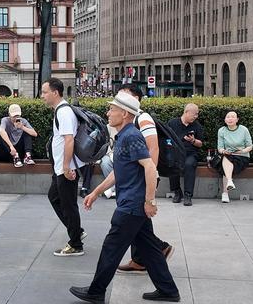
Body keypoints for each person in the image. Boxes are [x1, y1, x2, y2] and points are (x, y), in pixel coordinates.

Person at [70, 91, 180, 304]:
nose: (108, 112)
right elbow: (118, 171)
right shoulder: (123, 136)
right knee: (150, 249)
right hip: (133, 204)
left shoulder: (131, 136)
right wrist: (95, 192)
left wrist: (150, 201)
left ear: (126, 114)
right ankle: (168, 290)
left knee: (111, 248)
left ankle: (96, 291)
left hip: (132, 205)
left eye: (112, 109)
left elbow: (149, 167)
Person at [113, 85, 174, 274]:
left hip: (140, 181)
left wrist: (152, 179)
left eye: (125, 94)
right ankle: (142, 259)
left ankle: (153, 252)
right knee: (140, 224)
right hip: (136, 180)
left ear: (135, 99)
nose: (120, 97)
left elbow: (153, 148)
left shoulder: (143, 117)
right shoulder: (130, 123)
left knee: (134, 221)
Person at [41, 77, 86, 257]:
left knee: (68, 206)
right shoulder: (60, 110)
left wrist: (67, 167)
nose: (42, 96)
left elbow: (69, 140)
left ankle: (75, 244)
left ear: (55, 92)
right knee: (54, 197)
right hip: (60, 167)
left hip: (65, 168)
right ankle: (77, 230)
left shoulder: (64, 112)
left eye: (45, 92)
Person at [167, 103, 203, 206]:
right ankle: (177, 192)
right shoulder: (172, 123)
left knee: (189, 164)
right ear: (186, 112)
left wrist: (193, 140)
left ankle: (188, 195)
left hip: (190, 153)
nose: (196, 116)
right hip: (176, 152)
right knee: (171, 161)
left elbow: (200, 144)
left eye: (197, 114)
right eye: (194, 114)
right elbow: (166, 138)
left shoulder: (197, 126)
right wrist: (170, 146)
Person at [216, 111, 253, 203]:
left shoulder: (244, 129)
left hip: (242, 156)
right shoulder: (221, 130)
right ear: (224, 119)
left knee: (225, 165)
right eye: (228, 117)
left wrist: (242, 151)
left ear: (237, 119)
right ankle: (229, 182)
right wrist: (224, 151)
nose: (230, 119)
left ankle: (225, 193)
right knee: (226, 158)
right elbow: (220, 147)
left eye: (233, 117)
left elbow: (250, 146)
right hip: (228, 155)